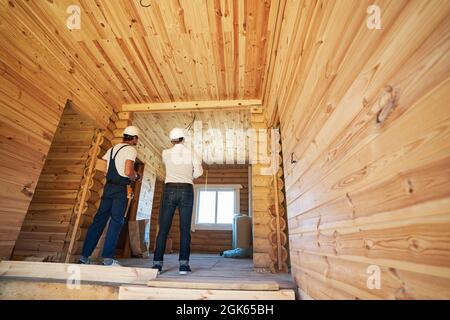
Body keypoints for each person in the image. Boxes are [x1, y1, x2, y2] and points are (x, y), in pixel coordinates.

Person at [79, 126, 141, 266]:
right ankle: (108, 258)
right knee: (116, 221)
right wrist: (136, 176)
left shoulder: (112, 149)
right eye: (137, 138)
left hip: (108, 187)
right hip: (120, 189)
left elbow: (104, 166)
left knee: (99, 221)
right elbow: (127, 170)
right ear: (134, 138)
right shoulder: (131, 149)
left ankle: (84, 256)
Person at [152, 128, 203, 274]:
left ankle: (157, 264)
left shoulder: (165, 153)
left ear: (171, 140)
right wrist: (188, 177)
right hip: (187, 189)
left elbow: (168, 165)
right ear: (183, 139)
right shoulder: (192, 153)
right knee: (185, 229)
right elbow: (199, 172)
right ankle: (183, 266)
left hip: (169, 189)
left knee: (163, 228)